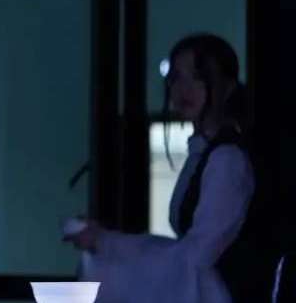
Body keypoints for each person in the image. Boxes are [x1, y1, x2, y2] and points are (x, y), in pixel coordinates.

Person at [64, 33, 264, 302]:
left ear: (226, 87)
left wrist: (107, 243)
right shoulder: (203, 152)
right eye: (176, 76)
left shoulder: (228, 159)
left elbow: (196, 255)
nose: (184, 88)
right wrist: (106, 242)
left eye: (197, 75)